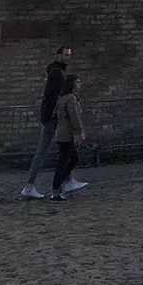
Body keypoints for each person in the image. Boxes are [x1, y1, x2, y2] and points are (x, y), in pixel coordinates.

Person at [21, 45, 86, 198]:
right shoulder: (57, 73)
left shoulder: (56, 72)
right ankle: (58, 184)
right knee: (65, 150)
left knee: (50, 150)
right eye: (65, 55)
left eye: (69, 55)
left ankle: (35, 184)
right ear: (58, 56)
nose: (68, 58)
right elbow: (55, 95)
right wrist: (58, 112)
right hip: (52, 118)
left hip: (48, 116)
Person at [49, 74, 86, 202]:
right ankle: (56, 190)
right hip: (66, 134)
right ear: (72, 84)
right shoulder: (70, 98)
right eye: (78, 82)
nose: (80, 85)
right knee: (63, 162)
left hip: (62, 133)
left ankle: (61, 183)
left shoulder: (62, 98)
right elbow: (74, 116)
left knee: (73, 158)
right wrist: (79, 131)